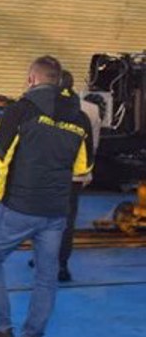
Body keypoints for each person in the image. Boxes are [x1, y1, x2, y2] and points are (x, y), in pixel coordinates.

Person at [0, 56, 94, 337]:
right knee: (46, 276)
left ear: (33, 79)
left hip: (20, 206)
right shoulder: (81, 119)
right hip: (56, 211)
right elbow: (83, 165)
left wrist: (0, 198)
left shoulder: (21, 110)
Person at [57, 70, 101, 282]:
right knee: (67, 221)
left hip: (47, 175)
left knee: (43, 217)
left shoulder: (42, 107)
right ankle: (62, 264)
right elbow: (93, 144)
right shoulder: (90, 110)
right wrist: (86, 172)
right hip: (75, 175)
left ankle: (41, 257)